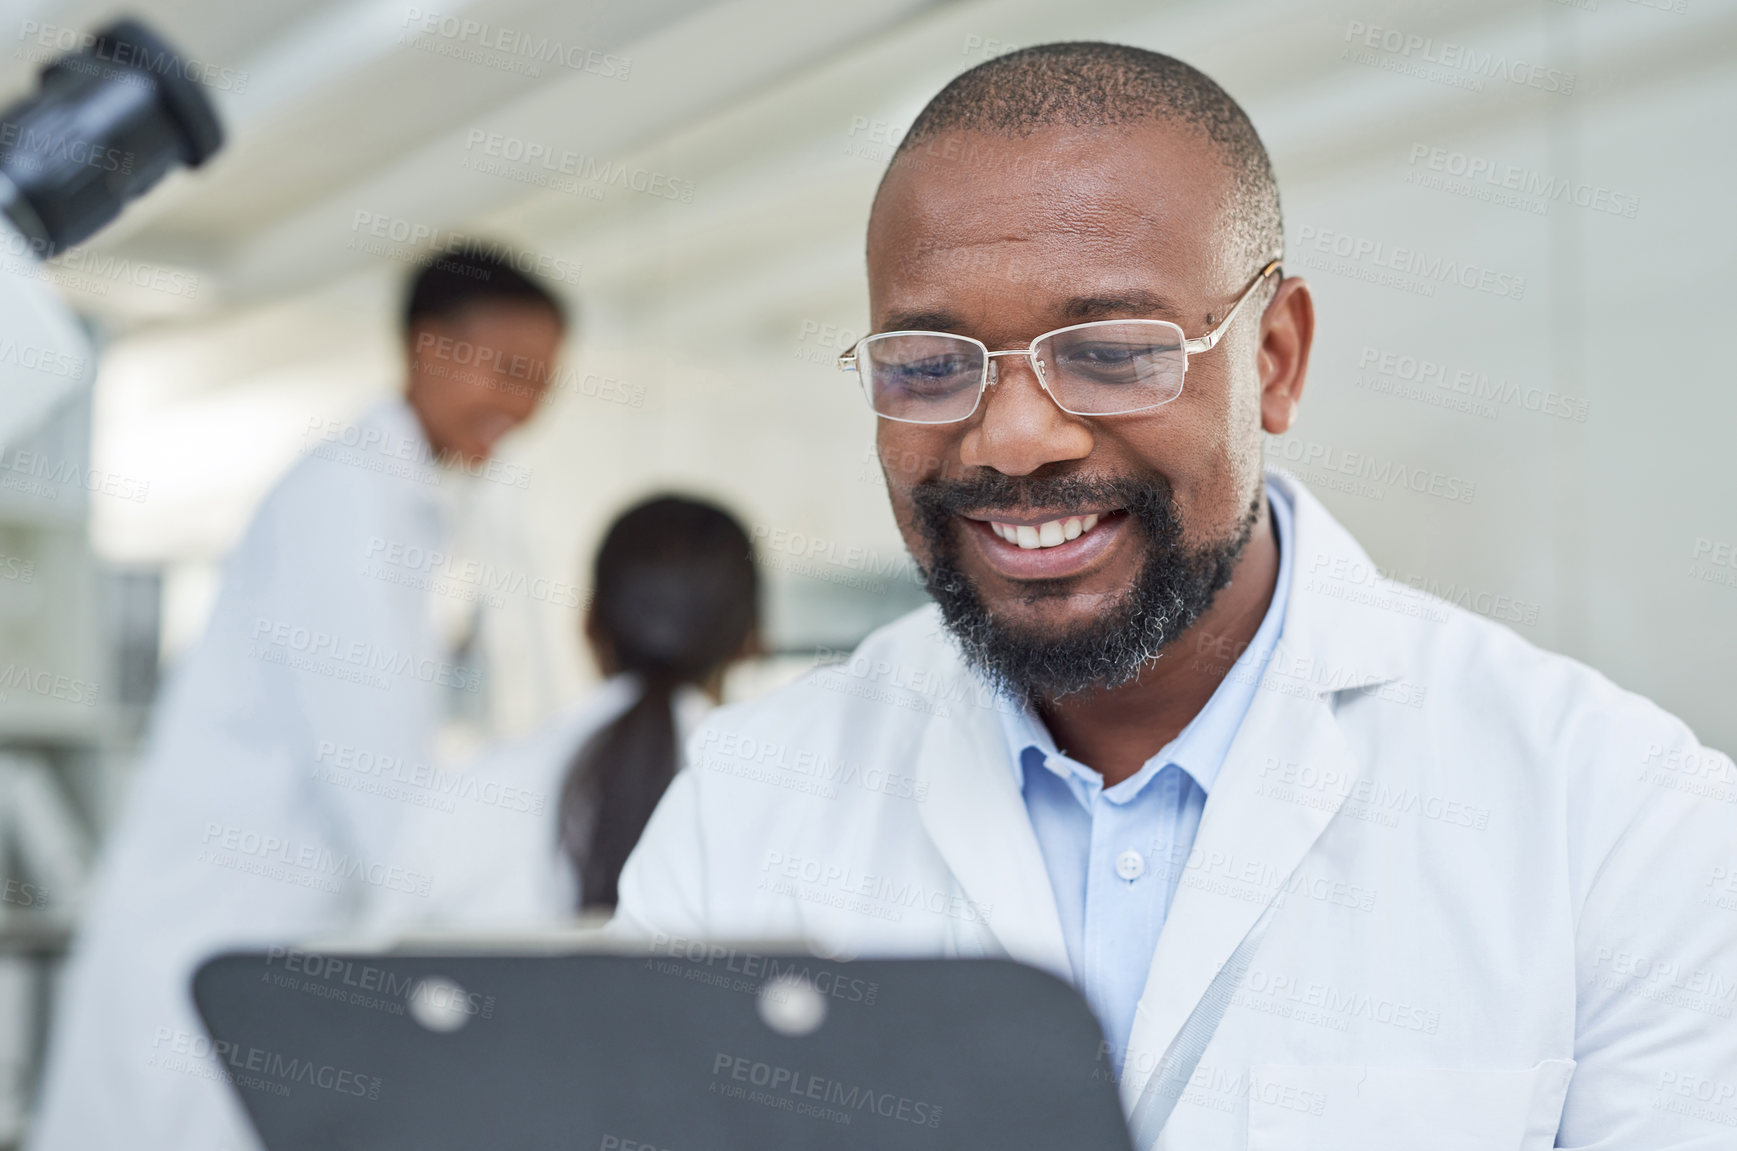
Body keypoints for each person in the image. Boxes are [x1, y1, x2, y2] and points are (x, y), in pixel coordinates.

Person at [612, 43, 1737, 1148]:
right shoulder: (744, 805)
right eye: (930, 363)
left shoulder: (1618, 819)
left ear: (1278, 359)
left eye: (1110, 350)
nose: (1014, 436)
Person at [30, 245, 568, 1151]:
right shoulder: (348, 500)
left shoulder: (403, 505)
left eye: (542, 384)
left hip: (265, 945)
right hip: (216, 939)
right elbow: (380, 786)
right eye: (509, 371)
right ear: (429, 349)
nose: (520, 409)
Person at [368, 495, 758, 933]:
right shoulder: (772, 802)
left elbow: (383, 961)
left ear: (588, 624)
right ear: (753, 639)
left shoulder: (467, 794)